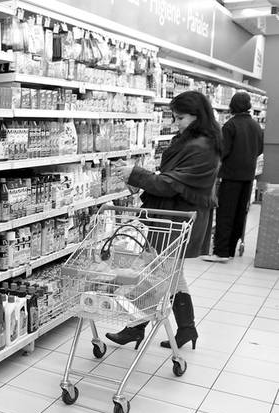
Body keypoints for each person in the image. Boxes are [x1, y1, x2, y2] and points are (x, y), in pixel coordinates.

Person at [106, 91, 221, 350]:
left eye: (180, 117)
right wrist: (137, 178)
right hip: (172, 217)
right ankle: (187, 330)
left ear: (197, 115)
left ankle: (135, 328)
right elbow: (171, 178)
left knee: (159, 274)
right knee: (172, 274)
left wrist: (136, 174)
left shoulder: (203, 148)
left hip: (180, 220)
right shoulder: (193, 140)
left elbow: (171, 184)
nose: (176, 122)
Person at [203, 92, 264, 262]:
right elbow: (259, 149)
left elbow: (223, 151)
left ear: (232, 106)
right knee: (239, 213)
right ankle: (230, 249)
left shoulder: (230, 125)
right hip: (248, 176)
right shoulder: (256, 126)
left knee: (225, 213)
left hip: (231, 176)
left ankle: (221, 252)